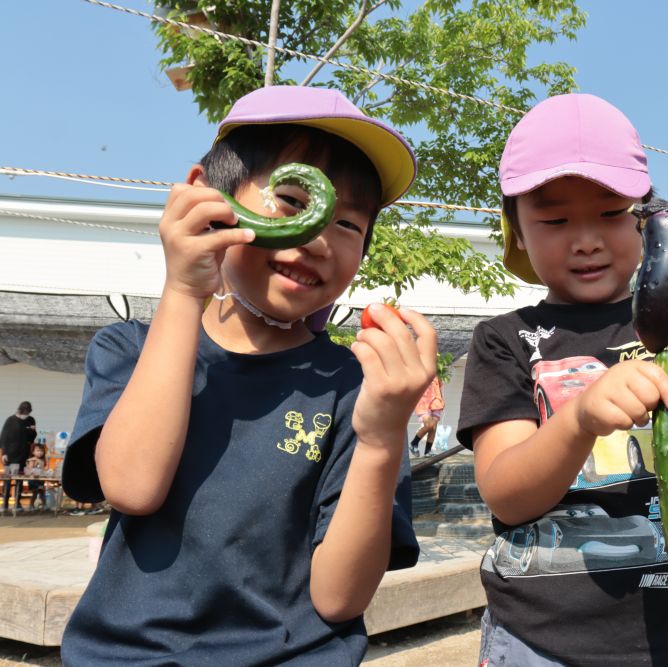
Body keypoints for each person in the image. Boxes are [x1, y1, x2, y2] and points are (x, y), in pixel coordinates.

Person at [59, 85, 437, 665]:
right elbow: (132, 488)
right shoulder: (129, 348)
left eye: (348, 227)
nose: (315, 240)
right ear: (208, 198)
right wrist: (186, 287)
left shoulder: (356, 387)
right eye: (292, 201)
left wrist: (384, 435)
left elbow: (339, 599)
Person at [457, 93, 668, 666]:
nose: (587, 239)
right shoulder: (504, 339)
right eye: (554, 219)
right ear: (517, 230)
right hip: (540, 644)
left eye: (609, 213)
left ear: (648, 219)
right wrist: (576, 420)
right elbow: (505, 491)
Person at [1, 401, 36, 516]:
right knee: (8, 480)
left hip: (23, 454)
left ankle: (17, 504)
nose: (25, 415)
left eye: (27, 413)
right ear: (19, 411)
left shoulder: (31, 420)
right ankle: (5, 504)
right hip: (10, 455)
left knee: (19, 480)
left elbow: (32, 437)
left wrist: (32, 430)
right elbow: (3, 438)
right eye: (23, 413)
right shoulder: (10, 420)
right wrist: (4, 453)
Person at [410, 375, 445, 456]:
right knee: (429, 425)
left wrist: (442, 400)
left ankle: (428, 451)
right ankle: (414, 443)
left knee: (433, 428)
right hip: (423, 403)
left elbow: (439, 388)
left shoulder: (437, 374)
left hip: (436, 402)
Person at [24, 442, 47, 511]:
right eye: (38, 451)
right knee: (35, 493)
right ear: (33, 452)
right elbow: (30, 470)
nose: (40, 452)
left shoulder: (42, 460)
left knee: (42, 492)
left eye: (42, 451)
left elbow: (43, 469)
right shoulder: (32, 460)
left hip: (40, 480)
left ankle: (44, 505)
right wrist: (33, 472)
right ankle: (31, 505)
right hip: (33, 480)